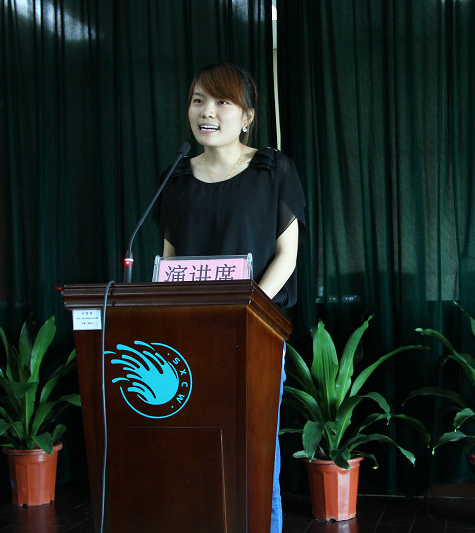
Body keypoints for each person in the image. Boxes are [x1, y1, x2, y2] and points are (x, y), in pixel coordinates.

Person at [154, 62, 306, 532]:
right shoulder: (176, 177)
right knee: (192, 447)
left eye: (222, 102)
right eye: (198, 100)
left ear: (247, 116)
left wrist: (248, 312)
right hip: (188, 339)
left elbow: (287, 256)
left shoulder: (273, 170)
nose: (208, 112)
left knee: (255, 451)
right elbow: (169, 263)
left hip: (253, 333)